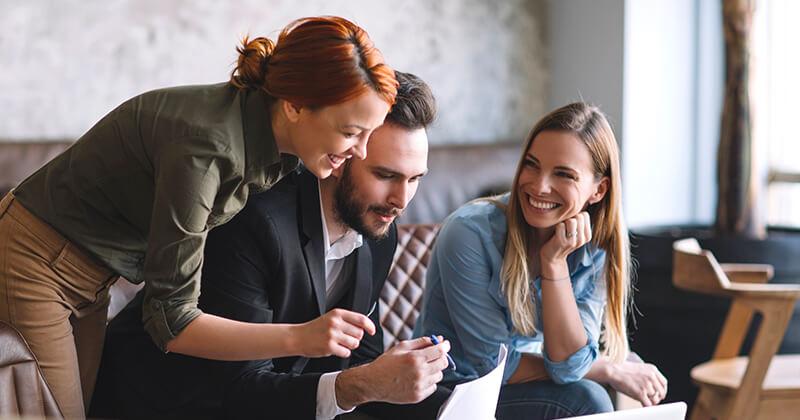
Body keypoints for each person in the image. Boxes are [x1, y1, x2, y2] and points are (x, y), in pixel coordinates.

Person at [0, 16, 398, 418]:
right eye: (351, 132)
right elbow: (171, 320)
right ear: (295, 105)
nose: (361, 151)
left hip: (93, 277)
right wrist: (300, 338)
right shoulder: (206, 153)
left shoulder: (279, 147)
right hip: (36, 263)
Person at [90, 71, 451, 420]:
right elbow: (240, 391)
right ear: (342, 155)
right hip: (161, 405)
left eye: (415, 178)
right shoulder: (253, 222)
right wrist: (354, 387)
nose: (401, 200)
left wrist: (456, 406)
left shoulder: (378, 231)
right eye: (385, 176)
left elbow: (360, 363)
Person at [414, 102, 668, 419]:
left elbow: (569, 365)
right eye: (532, 165)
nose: (539, 185)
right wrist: (608, 369)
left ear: (598, 190)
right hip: (452, 390)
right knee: (586, 399)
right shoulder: (469, 233)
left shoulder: (595, 248)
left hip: (524, 384)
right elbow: (491, 364)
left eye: (563, 174)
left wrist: (554, 263)